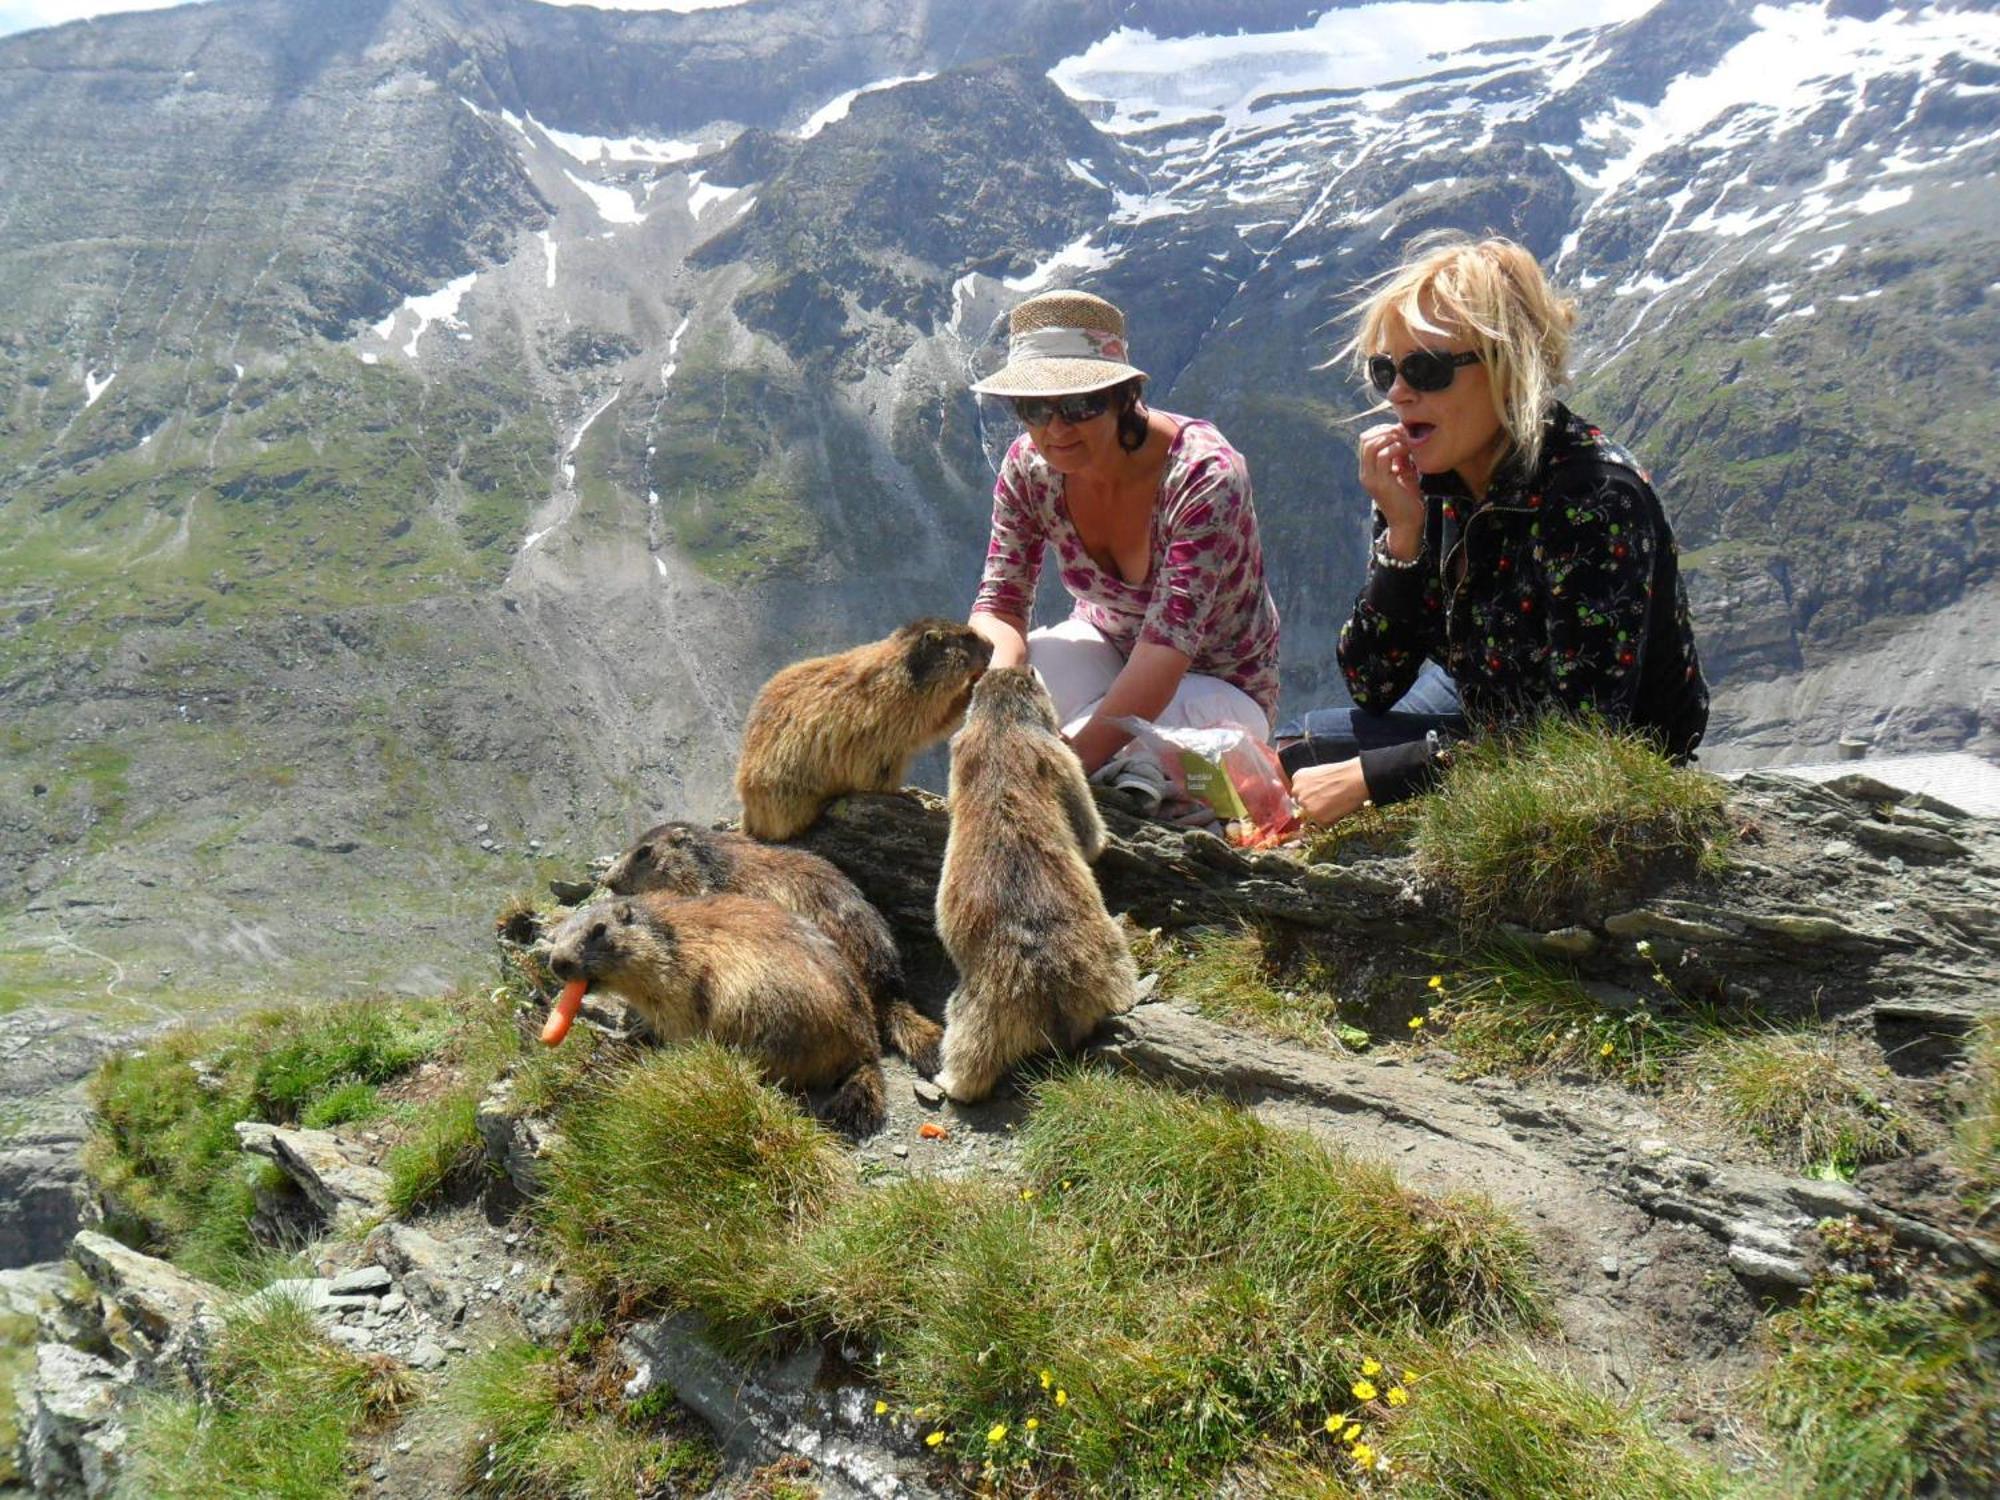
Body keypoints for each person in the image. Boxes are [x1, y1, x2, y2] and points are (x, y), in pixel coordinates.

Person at [1276, 234, 1708, 825]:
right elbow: (1372, 682)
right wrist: (1403, 536)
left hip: (1614, 754)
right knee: (1288, 754)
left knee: (1330, 773)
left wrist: (1378, 776)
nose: (1400, 393)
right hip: (1483, 704)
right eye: (1387, 370)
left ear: (1509, 369)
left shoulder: (1594, 497)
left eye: (1425, 369)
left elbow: (1581, 744)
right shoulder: (1429, 482)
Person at [966, 289, 1281, 778]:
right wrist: (999, 699)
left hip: (1217, 682)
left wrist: (1069, 762)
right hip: (1104, 644)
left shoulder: (1204, 474)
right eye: (1033, 408)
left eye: (1077, 404)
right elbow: (1001, 604)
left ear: (1122, 397)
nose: (1055, 428)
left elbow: (1168, 645)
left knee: (1114, 759)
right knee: (1011, 695)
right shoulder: (1028, 467)